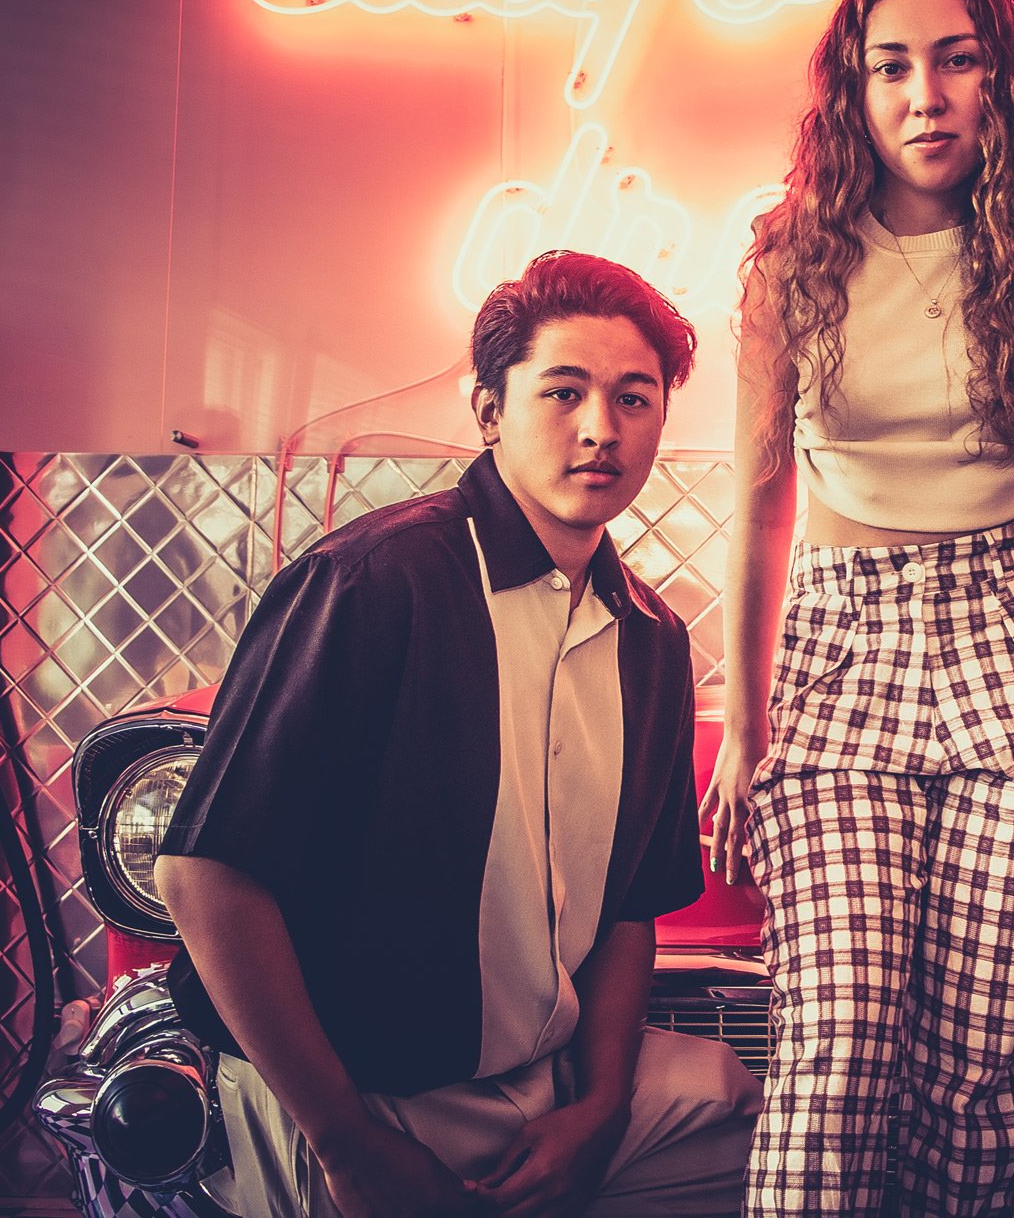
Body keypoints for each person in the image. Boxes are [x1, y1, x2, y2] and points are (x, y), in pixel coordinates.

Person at [155, 250, 762, 1218]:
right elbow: (204, 877)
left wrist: (603, 1104)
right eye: (562, 392)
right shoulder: (376, 581)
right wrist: (350, 1145)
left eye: (634, 398)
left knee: (743, 1119)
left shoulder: (650, 637)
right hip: (344, 1098)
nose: (600, 428)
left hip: (540, 1086)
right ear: (489, 412)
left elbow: (627, 909)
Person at [699, 0, 1014, 1216]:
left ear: (999, 79)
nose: (924, 95)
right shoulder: (792, 255)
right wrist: (746, 717)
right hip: (842, 638)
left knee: (985, 1067)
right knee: (835, 1044)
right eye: (890, 66)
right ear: (854, 91)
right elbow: (762, 501)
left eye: (954, 59)